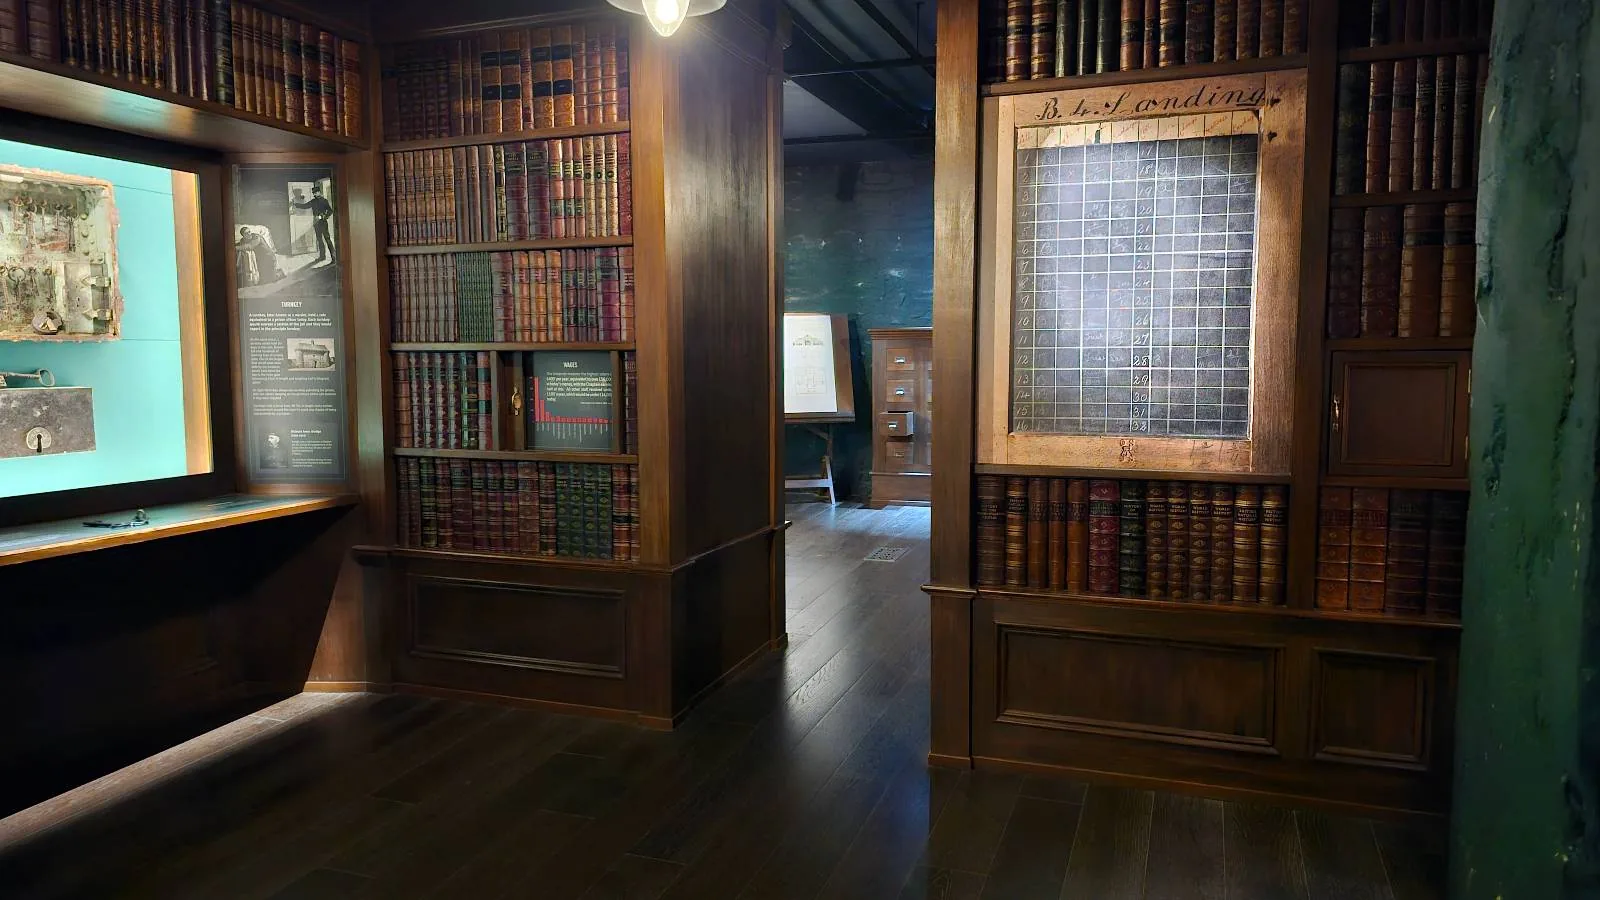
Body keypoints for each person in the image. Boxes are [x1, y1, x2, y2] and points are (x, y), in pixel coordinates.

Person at [290, 184, 336, 264]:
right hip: (316, 223)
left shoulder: (324, 201)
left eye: (316, 192)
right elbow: (305, 206)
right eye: (313, 193)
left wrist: (323, 216)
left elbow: (330, 211)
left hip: (323, 223)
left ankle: (334, 258)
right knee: (319, 240)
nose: (315, 194)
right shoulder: (313, 201)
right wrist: (295, 204)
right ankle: (322, 256)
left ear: (319, 192)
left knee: (327, 240)